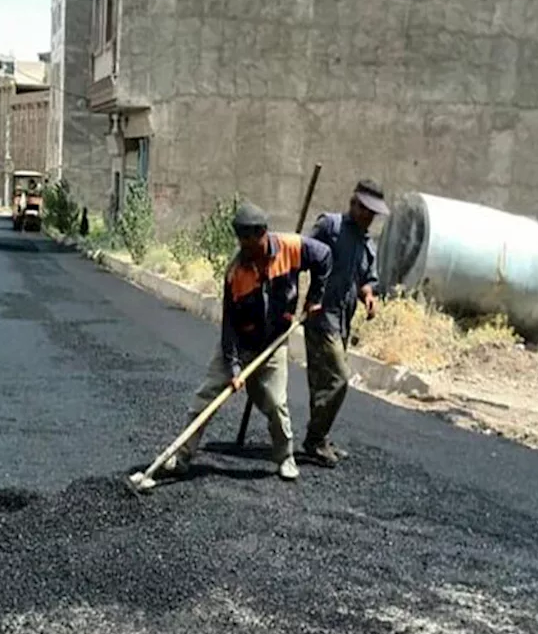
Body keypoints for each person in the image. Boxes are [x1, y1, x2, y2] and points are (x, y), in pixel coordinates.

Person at [164, 202, 331, 482]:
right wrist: (233, 367)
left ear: (264, 233)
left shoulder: (290, 247)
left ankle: (285, 456)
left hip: (275, 343)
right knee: (205, 398)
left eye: (249, 240)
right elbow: (228, 325)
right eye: (240, 239)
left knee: (277, 404)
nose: (244, 247)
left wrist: (315, 297)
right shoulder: (235, 273)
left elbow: (324, 256)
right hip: (241, 343)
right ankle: (181, 457)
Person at [300, 179, 387, 468]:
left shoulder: (367, 245)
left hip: (343, 320)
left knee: (324, 382)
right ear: (354, 204)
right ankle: (315, 439)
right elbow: (304, 256)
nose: (369, 218)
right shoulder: (330, 227)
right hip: (321, 316)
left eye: (374, 214)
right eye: (366, 211)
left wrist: (369, 297)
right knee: (338, 377)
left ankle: (319, 438)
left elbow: (364, 282)